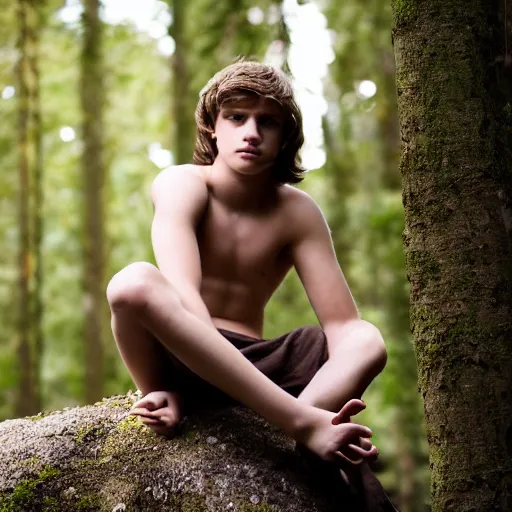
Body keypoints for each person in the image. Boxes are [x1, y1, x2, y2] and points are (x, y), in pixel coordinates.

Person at [106, 61, 396, 509]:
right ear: (211, 125)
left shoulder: (296, 211)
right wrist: (171, 383)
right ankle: (295, 421)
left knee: (365, 336)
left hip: (257, 368)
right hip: (183, 352)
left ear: (286, 137)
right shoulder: (182, 182)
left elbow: (341, 324)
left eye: (268, 122)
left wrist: (330, 377)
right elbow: (183, 295)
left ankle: (309, 423)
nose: (252, 132)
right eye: (237, 117)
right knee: (132, 283)